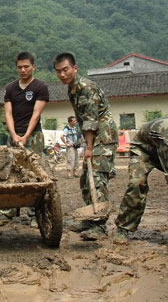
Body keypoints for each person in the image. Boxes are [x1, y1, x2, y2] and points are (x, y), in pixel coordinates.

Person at [54, 52, 118, 241]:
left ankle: (100, 225)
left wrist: (88, 148)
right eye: (58, 72)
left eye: (65, 70)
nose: (62, 74)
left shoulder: (85, 87)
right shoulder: (72, 88)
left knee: (97, 178)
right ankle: (92, 218)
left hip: (102, 137)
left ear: (75, 68)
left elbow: (90, 120)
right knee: (85, 181)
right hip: (93, 137)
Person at [0, 52, 49, 226]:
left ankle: (34, 214)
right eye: (20, 67)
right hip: (14, 136)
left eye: (26, 66)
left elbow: (36, 114)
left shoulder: (40, 87)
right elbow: (8, 114)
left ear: (33, 67)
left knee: (33, 172)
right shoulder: (10, 88)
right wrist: (13, 135)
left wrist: (25, 136)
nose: (23, 70)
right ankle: (8, 212)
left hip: (33, 136)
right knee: (10, 172)